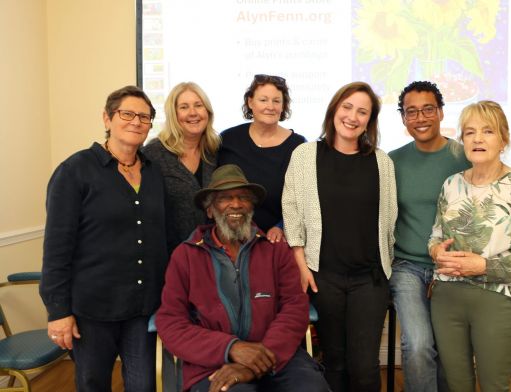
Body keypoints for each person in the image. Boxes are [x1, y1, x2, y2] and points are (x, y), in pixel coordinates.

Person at [156, 164, 329, 392]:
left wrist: (254, 364)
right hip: (212, 362)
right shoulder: (186, 255)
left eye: (243, 198)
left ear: (252, 207)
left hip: (277, 355)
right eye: (225, 198)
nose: (235, 204)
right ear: (210, 210)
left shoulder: (275, 250)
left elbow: (294, 308)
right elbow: (171, 323)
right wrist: (232, 348)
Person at [40, 85, 168, 391]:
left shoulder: (153, 172)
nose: (136, 122)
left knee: (143, 386)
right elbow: (57, 248)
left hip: (143, 308)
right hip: (93, 310)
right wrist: (58, 312)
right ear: (107, 118)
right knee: (93, 384)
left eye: (145, 117)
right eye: (127, 114)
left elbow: (161, 236)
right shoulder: (74, 171)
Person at [282, 81, 397, 392]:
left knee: (365, 366)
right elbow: (291, 211)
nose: (352, 116)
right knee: (334, 361)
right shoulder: (305, 155)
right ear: (334, 109)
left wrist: (385, 267)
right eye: (347, 107)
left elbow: (390, 219)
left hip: (369, 279)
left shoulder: (381, 162)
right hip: (324, 276)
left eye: (362, 112)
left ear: (369, 121)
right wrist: (302, 265)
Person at [428, 100, 511, 392]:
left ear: (503, 139)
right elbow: (436, 235)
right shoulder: (450, 184)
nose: (478, 138)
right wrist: (436, 251)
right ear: (462, 140)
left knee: (494, 386)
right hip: (446, 297)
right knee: (456, 385)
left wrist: (483, 265)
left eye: (488, 131)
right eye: (470, 132)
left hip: (496, 299)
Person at [388, 81, 470, 392]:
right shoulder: (392, 161)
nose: (420, 118)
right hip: (407, 266)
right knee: (419, 345)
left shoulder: (464, 156)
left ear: (440, 112)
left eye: (428, 109)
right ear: (403, 118)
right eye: (412, 112)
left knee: (450, 351)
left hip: (453, 268)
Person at [218, 74, 305, 243]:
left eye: (276, 101)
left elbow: (303, 200)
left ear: (283, 106)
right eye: (263, 100)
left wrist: (282, 226)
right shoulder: (227, 139)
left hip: (276, 241)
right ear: (250, 102)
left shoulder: (298, 146)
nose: (270, 107)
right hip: (231, 238)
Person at [142, 81, 220, 253]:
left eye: (198, 105)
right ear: (174, 114)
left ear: (207, 111)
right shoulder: (154, 153)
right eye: (184, 107)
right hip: (169, 255)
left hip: (211, 255)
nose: (193, 113)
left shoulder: (216, 151)